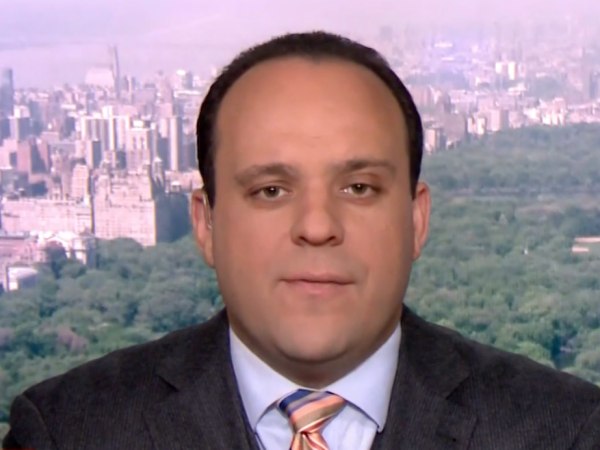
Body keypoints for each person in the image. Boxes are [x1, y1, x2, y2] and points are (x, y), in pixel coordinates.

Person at [3, 31, 600, 450]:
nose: (316, 226)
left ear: (417, 221)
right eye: (270, 190)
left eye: (360, 187)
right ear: (206, 224)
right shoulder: (68, 432)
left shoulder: (567, 432)